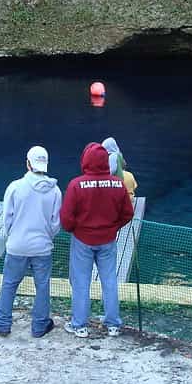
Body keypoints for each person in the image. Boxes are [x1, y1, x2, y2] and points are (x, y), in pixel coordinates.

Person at [60, 142, 134, 338]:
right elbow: (128, 213)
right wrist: (113, 227)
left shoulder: (76, 185)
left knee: (81, 282)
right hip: (108, 240)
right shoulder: (118, 184)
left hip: (82, 240)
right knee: (109, 281)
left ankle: (80, 325)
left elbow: (66, 217)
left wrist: (75, 229)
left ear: (85, 160)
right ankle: (113, 324)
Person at [0, 146, 61, 338]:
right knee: (42, 286)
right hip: (43, 247)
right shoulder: (55, 191)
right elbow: (55, 223)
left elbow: (7, 219)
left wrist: (14, 237)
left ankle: (2, 323)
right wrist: (46, 238)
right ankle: (40, 325)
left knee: (9, 284)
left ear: (28, 164)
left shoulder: (15, 187)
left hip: (17, 245)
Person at [102, 136, 137, 204]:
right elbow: (124, 165)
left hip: (115, 184)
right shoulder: (118, 153)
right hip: (121, 181)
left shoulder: (111, 156)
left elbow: (112, 170)